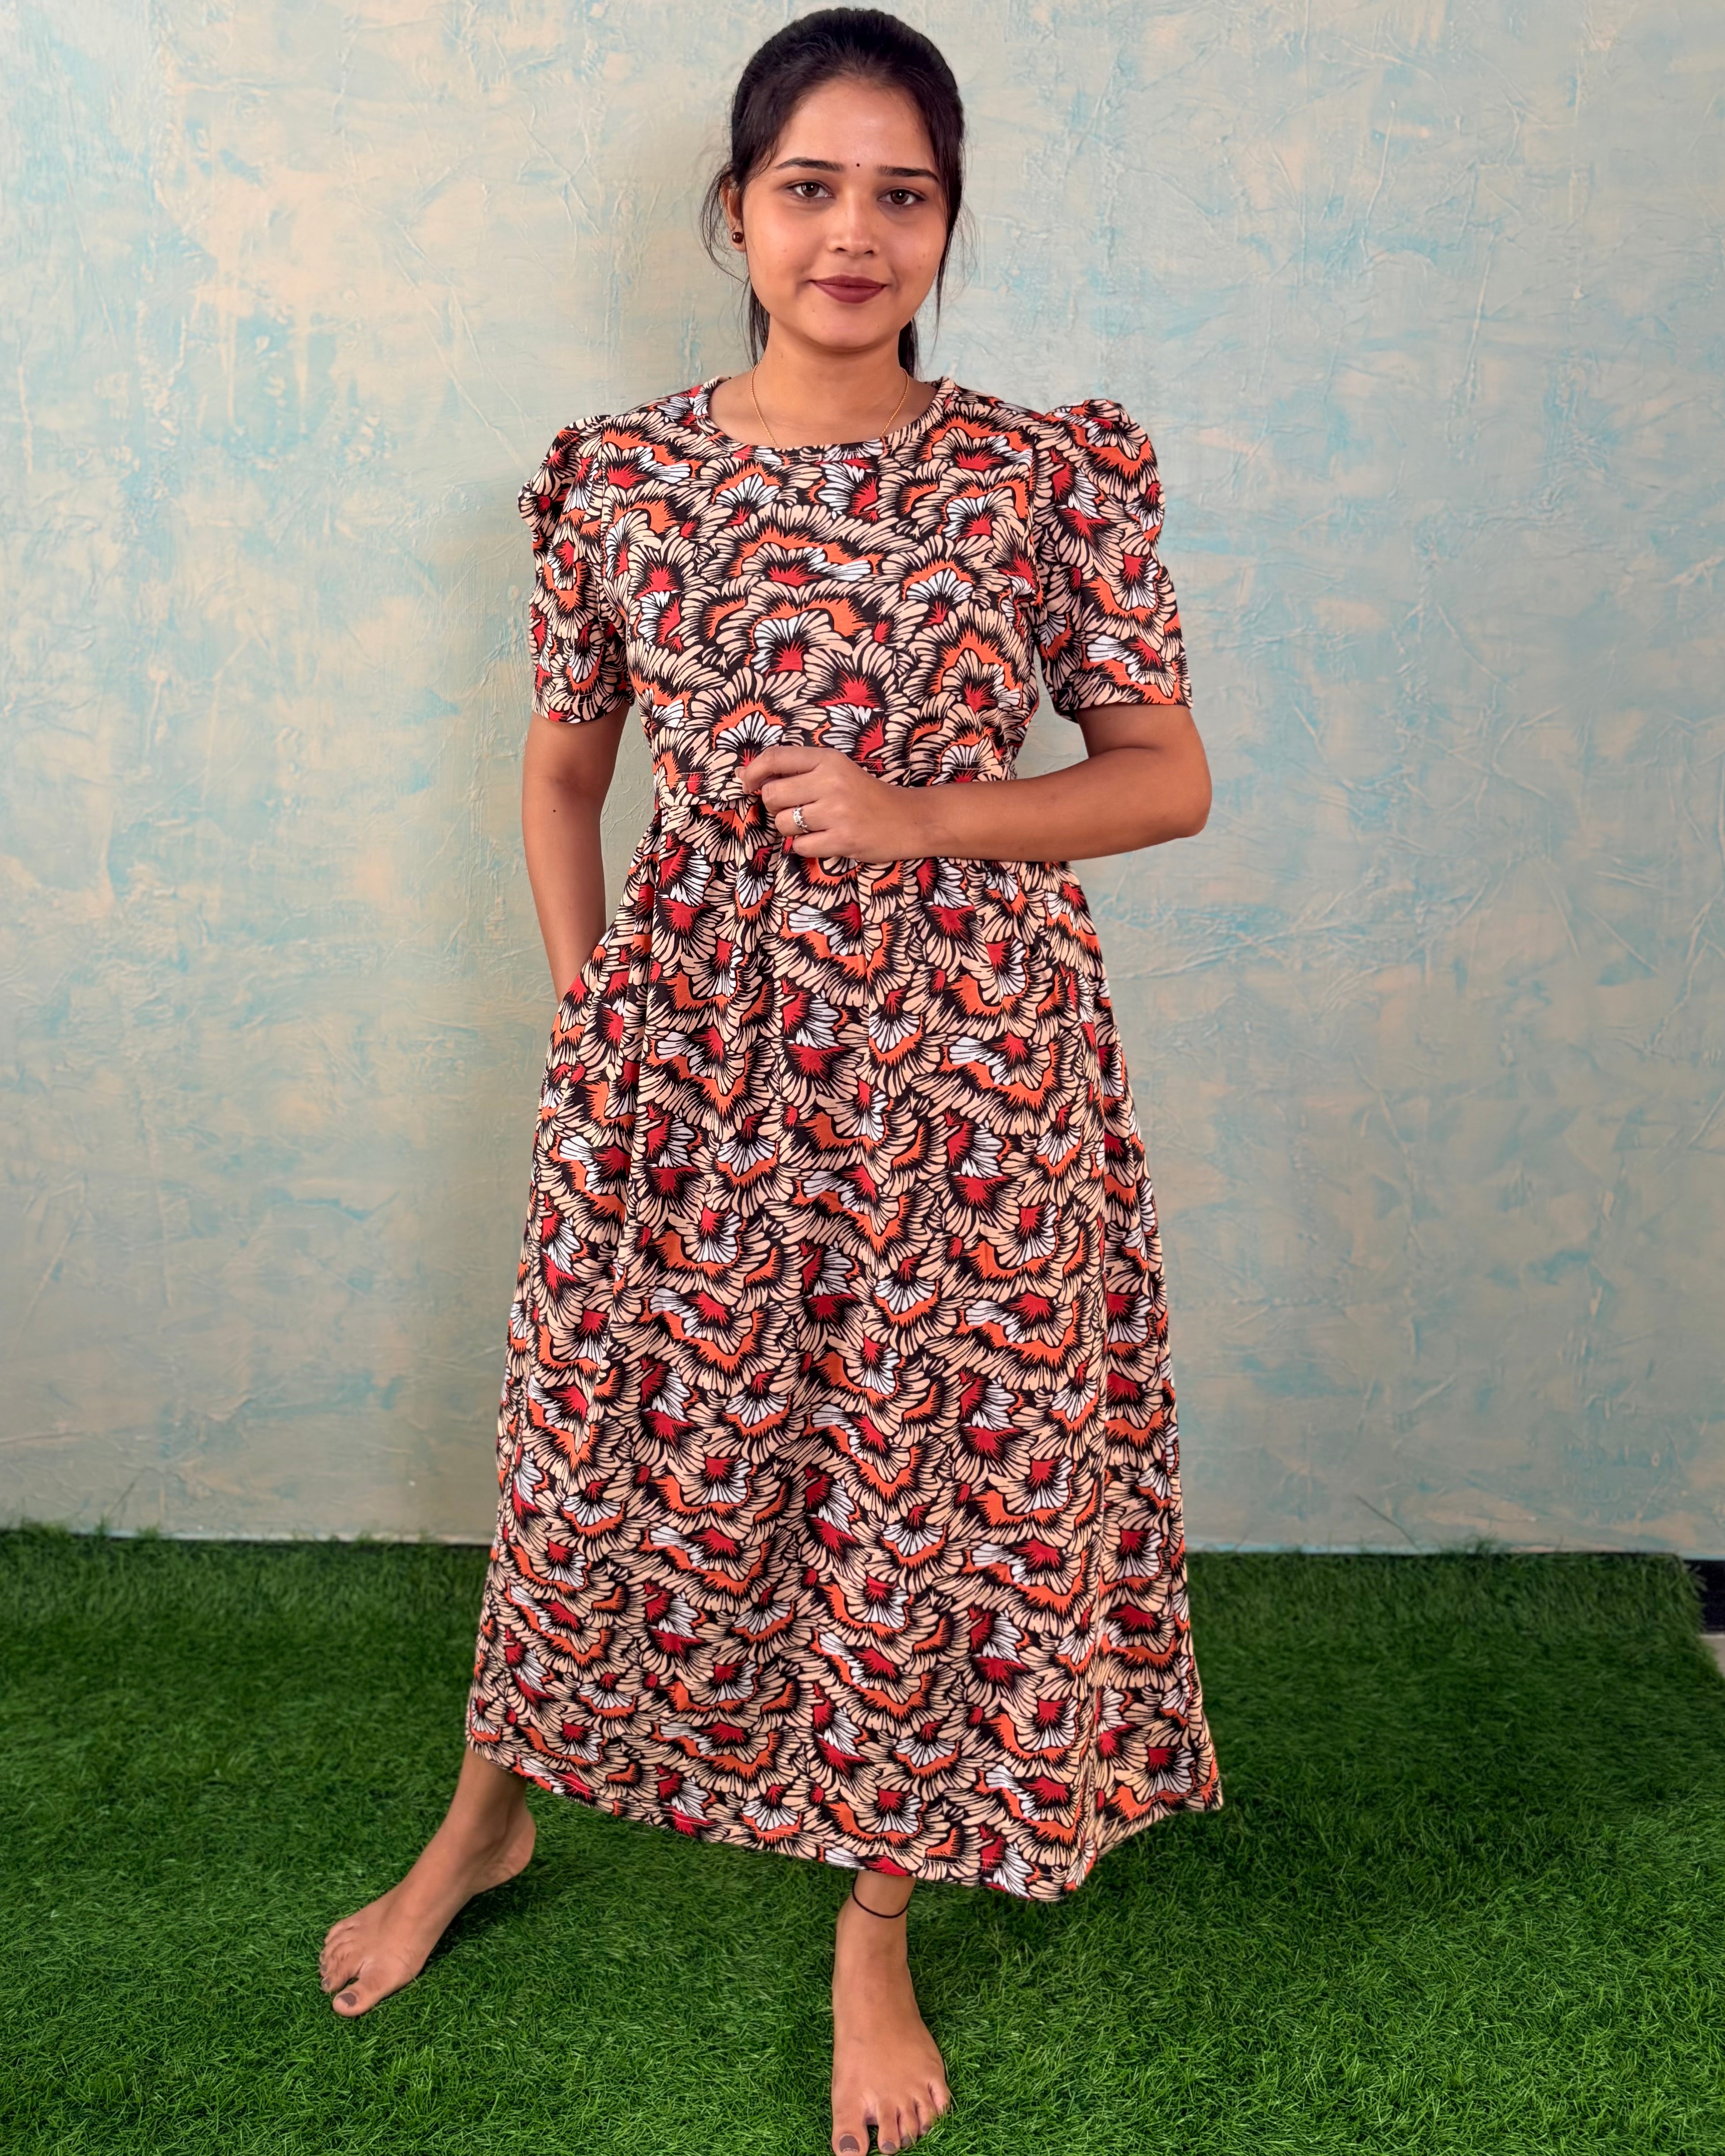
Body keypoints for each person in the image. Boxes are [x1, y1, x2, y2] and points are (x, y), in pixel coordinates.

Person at [319, 9, 1222, 2148]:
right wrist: (592, 1019)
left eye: (901, 194)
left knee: (920, 1480)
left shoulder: (1041, 473)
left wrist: (923, 821)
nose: (851, 234)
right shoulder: (616, 478)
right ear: (732, 211)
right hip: (687, 1068)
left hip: (966, 1074)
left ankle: (873, 1924)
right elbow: (562, 775)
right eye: (808, 188)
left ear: (947, 224)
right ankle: (486, 1817)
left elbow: (1161, 779)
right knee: (599, 1445)